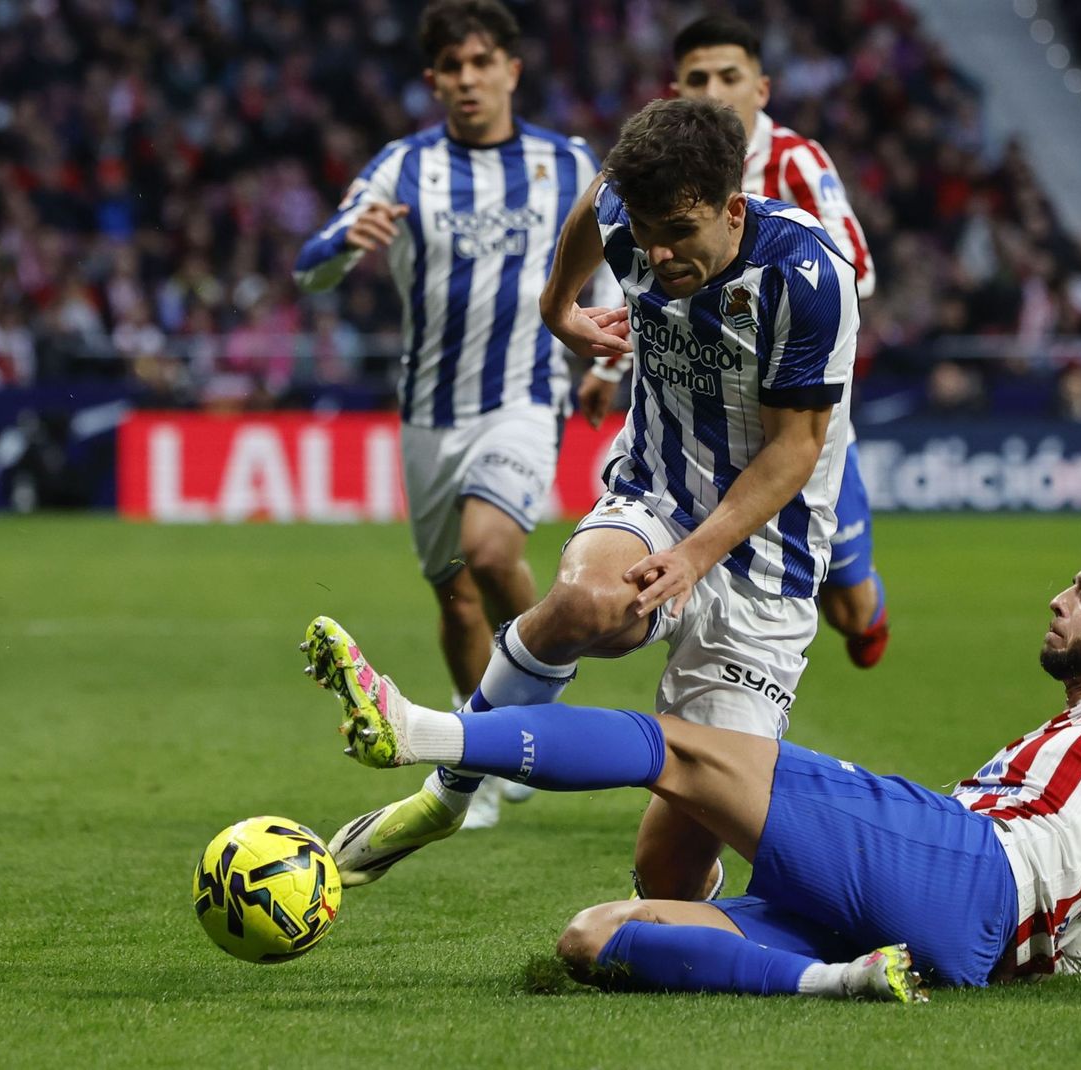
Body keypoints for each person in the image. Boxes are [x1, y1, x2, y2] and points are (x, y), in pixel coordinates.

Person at [300, 535, 1081, 1002]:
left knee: (682, 751)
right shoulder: (1056, 740)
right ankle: (846, 983)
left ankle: (421, 734)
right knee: (591, 934)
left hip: (968, 869)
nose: (1057, 595)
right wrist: (1067, 939)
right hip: (946, 925)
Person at [321, 96, 861, 901]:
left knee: (666, 876)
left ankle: (696, 917)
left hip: (764, 564)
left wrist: (695, 557)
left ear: (733, 209)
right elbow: (600, 196)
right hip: (656, 495)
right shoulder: (631, 213)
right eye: (645, 229)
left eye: (680, 230)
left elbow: (795, 451)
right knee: (582, 601)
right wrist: (557, 307)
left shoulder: (807, 278)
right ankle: (444, 798)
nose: (657, 250)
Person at [293, 0, 615, 828]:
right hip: (430, 410)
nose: (467, 79)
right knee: (457, 599)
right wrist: (341, 243)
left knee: (491, 547)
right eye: (451, 66)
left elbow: (609, 260)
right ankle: (487, 747)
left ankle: (532, 696)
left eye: (482, 63)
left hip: (524, 394)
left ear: (511, 68)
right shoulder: (402, 168)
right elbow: (310, 268)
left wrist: (608, 350)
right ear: (433, 78)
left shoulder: (563, 161)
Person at [578, 15, 890, 670]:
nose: (715, 90)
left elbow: (853, 270)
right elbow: (636, 268)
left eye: (730, 76)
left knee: (850, 610)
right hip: (694, 408)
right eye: (698, 79)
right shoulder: (663, 172)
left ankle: (866, 609)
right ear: (676, 90)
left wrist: (761, 297)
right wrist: (608, 363)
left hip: (792, 408)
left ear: (762, 87)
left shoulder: (794, 163)